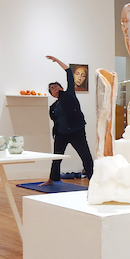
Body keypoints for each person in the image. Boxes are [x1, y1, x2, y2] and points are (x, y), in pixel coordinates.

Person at [43, 56, 94, 185]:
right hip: (61, 134)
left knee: (85, 156)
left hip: (76, 132)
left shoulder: (69, 94)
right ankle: (51, 179)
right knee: (56, 158)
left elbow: (69, 74)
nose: (54, 89)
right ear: (52, 94)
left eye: (56, 86)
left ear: (61, 88)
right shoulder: (53, 107)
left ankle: (93, 180)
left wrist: (57, 60)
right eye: (52, 89)